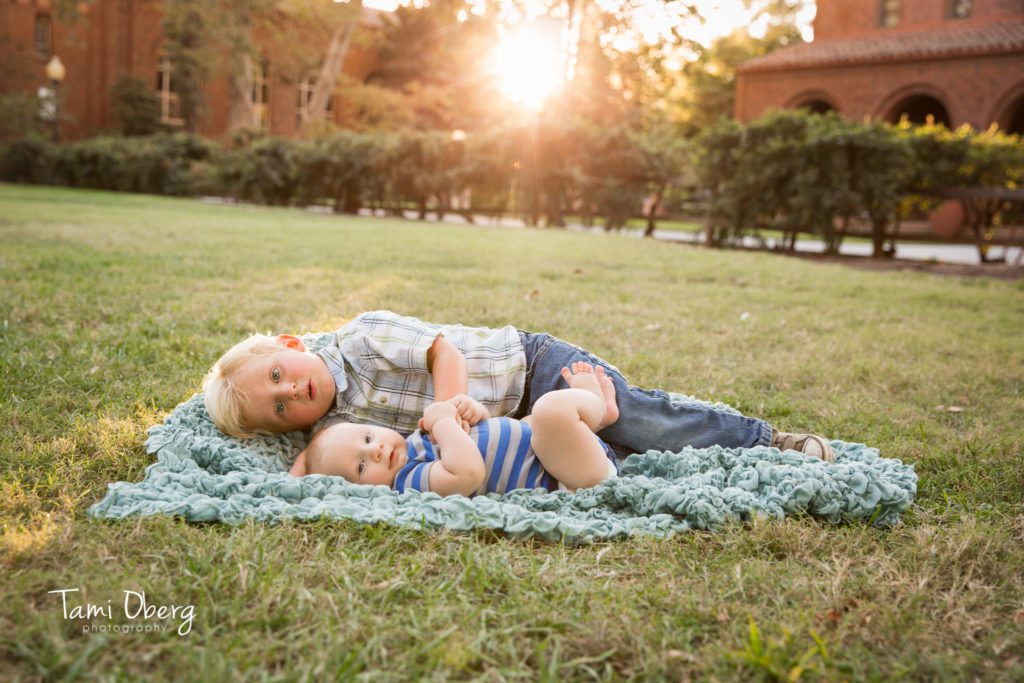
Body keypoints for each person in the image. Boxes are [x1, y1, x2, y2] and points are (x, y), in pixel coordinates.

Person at [202, 310, 834, 461]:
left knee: (634, 422)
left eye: (280, 376)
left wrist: (446, 405)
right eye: (279, 408)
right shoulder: (332, 432)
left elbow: (440, 350)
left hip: (529, 366)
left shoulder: (359, 338)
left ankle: (767, 441)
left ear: (290, 347)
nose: (292, 394)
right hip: (516, 423)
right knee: (596, 462)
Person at [288, 362, 621, 496]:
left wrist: (470, 412)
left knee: (533, 423)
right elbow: (469, 472)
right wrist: (444, 422)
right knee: (550, 411)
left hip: (554, 454)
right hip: (571, 479)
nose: (374, 450)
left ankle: (591, 422)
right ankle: (595, 407)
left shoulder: (417, 440)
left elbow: (483, 435)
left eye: (367, 437)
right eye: (361, 466)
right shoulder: (410, 482)